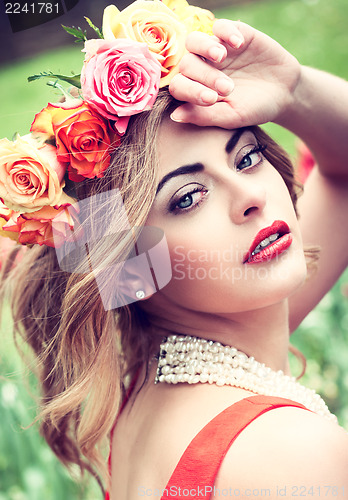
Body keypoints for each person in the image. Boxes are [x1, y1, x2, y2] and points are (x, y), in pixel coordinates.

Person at [0, 1, 347, 499]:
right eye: (187, 197)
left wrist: (291, 90)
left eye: (246, 156)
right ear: (129, 264)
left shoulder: (153, 395)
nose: (250, 197)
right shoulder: (286, 450)